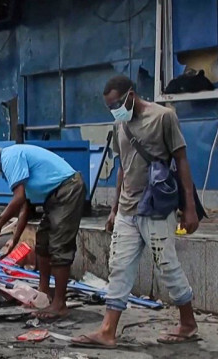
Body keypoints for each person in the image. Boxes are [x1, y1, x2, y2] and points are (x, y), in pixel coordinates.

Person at [72, 76, 199, 348]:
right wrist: (114, 208)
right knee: (119, 267)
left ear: (131, 94)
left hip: (157, 207)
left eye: (117, 103)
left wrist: (189, 208)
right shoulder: (120, 124)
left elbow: (182, 160)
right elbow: (122, 167)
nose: (114, 109)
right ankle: (108, 330)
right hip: (127, 211)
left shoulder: (164, 117)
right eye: (109, 106)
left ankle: (188, 323)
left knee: (167, 265)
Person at [0, 143, 86, 319]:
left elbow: (18, 198)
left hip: (67, 189)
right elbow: (25, 205)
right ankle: (44, 293)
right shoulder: (8, 167)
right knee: (43, 241)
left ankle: (59, 304)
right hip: (54, 195)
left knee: (59, 245)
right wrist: (14, 239)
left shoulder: (9, 158)